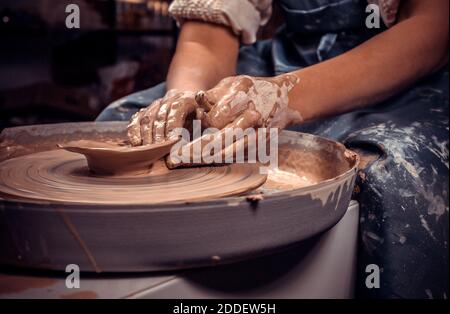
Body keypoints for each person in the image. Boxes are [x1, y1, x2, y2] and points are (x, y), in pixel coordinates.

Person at [97, 0, 449, 298]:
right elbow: (208, 37)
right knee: (123, 124)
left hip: (400, 72)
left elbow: (432, 30)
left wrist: (282, 97)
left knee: (393, 173)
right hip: (285, 59)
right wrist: (186, 100)